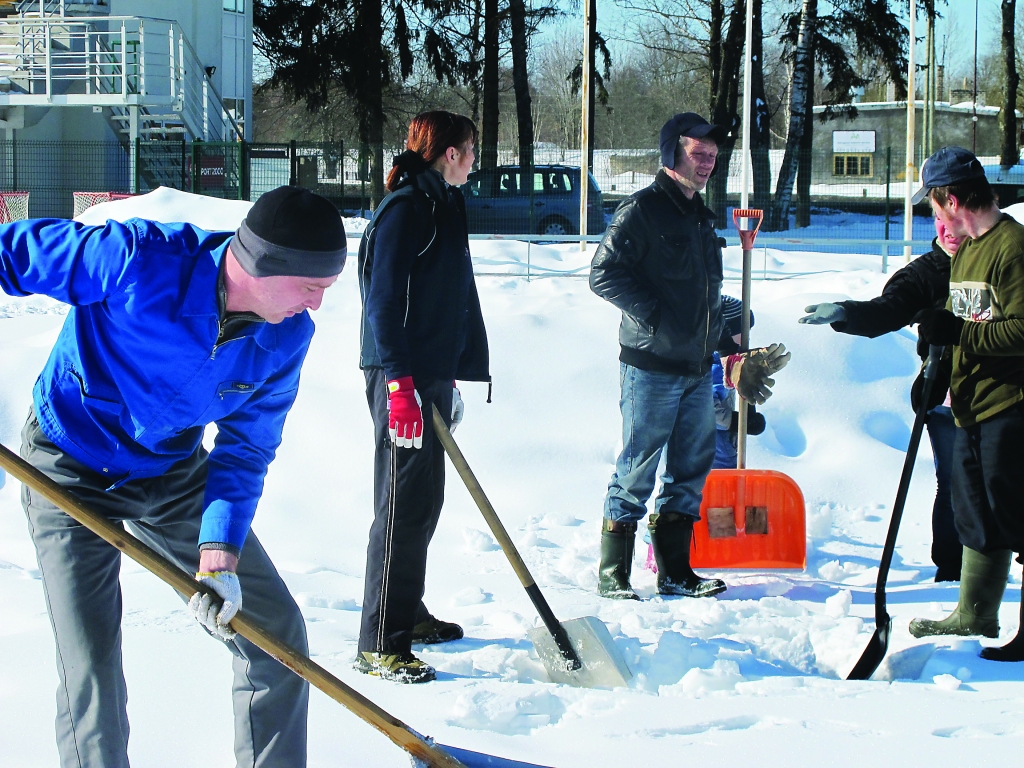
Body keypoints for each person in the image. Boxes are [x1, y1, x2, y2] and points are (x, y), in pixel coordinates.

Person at [0, 185, 347, 767]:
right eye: (312, 287)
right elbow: (14, 252)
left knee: (276, 636)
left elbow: (245, 449)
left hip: (171, 473)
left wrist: (219, 554)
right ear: (265, 266)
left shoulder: (284, 337)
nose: (316, 305)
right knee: (91, 666)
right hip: (67, 466)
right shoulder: (137, 259)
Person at [590, 112, 790, 601]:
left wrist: (729, 346)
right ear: (671, 154)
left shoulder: (701, 216)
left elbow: (704, 299)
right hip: (650, 368)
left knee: (691, 470)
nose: (707, 164)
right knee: (638, 466)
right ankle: (612, 573)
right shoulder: (642, 210)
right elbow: (604, 273)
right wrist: (657, 318)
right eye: (698, 154)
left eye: (713, 157)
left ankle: (676, 571)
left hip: (697, 371)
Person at [357, 111, 490, 683]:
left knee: (424, 502)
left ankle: (406, 610)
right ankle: (379, 641)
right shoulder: (408, 208)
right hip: (400, 377)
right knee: (401, 505)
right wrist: (399, 385)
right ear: (451, 153)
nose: (475, 162)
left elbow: (444, 296)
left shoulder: (442, 204)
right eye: (471, 151)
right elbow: (382, 303)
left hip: (427, 375)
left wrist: (449, 375)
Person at [902, 145, 1024, 661]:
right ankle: (975, 613)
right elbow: (964, 325)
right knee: (976, 512)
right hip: (969, 404)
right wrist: (938, 369)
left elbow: (1019, 329)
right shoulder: (968, 249)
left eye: (933, 204)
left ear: (952, 199)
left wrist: (958, 332)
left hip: (1011, 404)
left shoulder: (1011, 247)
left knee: (1016, 514)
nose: (934, 216)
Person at [798, 216, 964, 582]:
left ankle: (990, 567)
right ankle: (952, 569)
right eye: (941, 220)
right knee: (953, 482)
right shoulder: (926, 273)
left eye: (957, 219)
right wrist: (847, 312)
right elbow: (888, 309)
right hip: (946, 396)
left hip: (1000, 396)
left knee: (997, 481)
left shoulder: (999, 263)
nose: (950, 230)